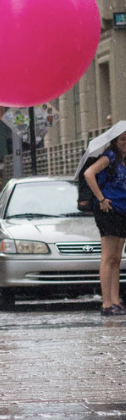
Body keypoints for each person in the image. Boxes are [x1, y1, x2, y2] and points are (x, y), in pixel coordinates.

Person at [84, 129, 126, 315]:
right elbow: (88, 173)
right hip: (108, 210)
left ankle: (116, 301)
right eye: (123, 139)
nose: (125, 142)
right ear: (115, 141)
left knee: (117, 258)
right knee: (108, 257)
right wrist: (101, 198)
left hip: (123, 210)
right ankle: (106, 304)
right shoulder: (109, 157)